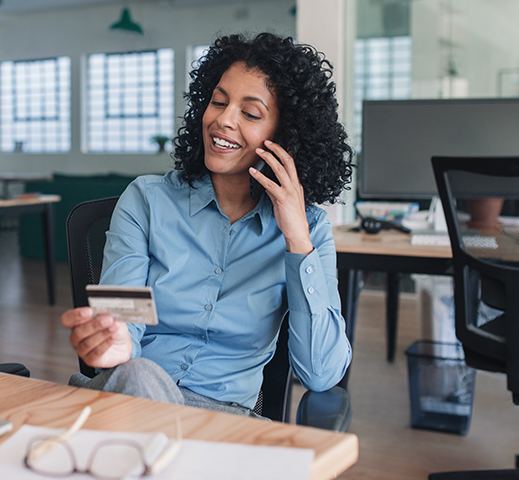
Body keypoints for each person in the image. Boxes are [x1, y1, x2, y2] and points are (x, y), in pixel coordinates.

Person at [60, 32, 354, 418]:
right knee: (140, 377)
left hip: (222, 421)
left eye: (249, 114)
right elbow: (123, 318)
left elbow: (321, 374)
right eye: (218, 102)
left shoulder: (309, 229)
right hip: (130, 396)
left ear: (285, 137)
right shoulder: (148, 200)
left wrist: (297, 240)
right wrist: (115, 344)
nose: (223, 120)